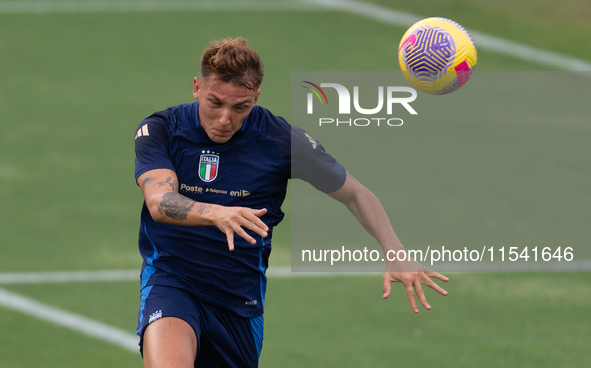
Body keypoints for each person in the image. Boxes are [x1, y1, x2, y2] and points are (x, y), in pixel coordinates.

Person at [134, 37, 448, 368]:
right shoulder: (163, 130)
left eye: (240, 107)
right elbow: (159, 201)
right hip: (172, 281)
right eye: (215, 103)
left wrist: (394, 249)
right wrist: (215, 213)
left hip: (239, 301)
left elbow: (356, 194)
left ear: (256, 98)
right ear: (197, 87)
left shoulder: (279, 141)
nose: (225, 118)